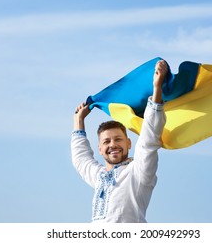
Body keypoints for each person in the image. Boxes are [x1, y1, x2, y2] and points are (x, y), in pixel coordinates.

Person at [71, 60, 168, 223]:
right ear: (100, 149)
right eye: (106, 142)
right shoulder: (100, 177)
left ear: (129, 143)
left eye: (118, 139)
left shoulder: (138, 172)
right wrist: (78, 119)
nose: (112, 145)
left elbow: (148, 139)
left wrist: (157, 88)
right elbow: (81, 159)